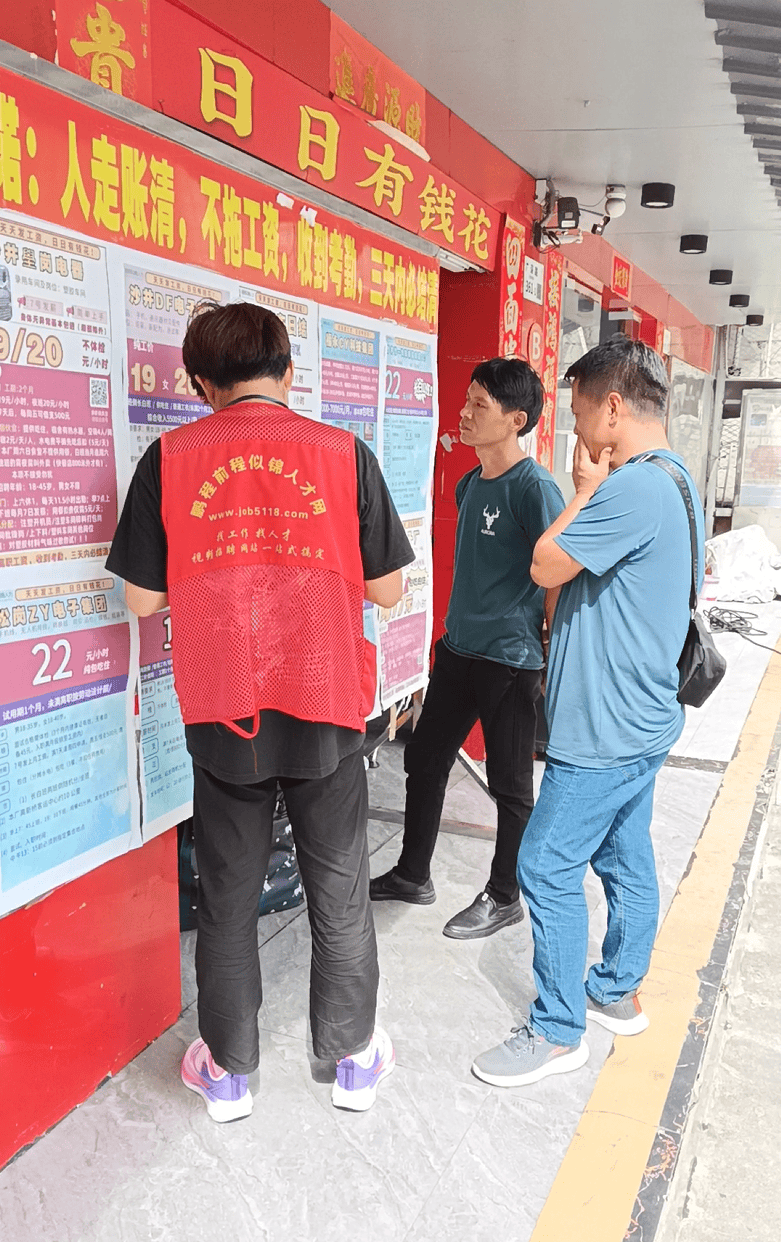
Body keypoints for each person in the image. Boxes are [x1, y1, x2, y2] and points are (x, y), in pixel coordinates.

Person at [107, 301, 414, 1119]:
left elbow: (141, 598)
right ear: (287, 371)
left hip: (224, 706)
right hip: (325, 703)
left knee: (228, 893)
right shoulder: (343, 454)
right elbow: (388, 589)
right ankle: (352, 1061)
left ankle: (228, 1074)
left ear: (202, 384)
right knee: (339, 884)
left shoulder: (170, 457)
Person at [472, 335, 704, 1087]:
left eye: (579, 415)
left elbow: (545, 564)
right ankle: (616, 990)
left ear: (613, 408)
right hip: (643, 716)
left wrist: (580, 489)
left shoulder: (630, 489)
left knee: (545, 864)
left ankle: (556, 1029)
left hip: (603, 727)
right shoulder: (677, 479)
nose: (577, 432)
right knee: (623, 853)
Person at [370, 358, 564, 939]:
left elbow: (557, 575)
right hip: (458, 650)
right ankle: (413, 874)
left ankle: (505, 895)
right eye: (467, 400)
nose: (465, 412)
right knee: (424, 759)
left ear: (516, 419)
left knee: (510, 784)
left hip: (509, 659)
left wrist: (549, 653)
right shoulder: (470, 483)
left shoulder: (535, 489)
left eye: (480, 405)